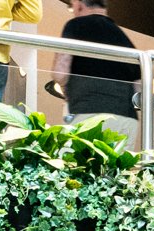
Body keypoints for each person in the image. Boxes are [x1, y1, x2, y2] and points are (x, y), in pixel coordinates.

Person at [49, 0, 137, 141]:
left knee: (71, 155)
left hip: (89, 115)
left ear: (79, 4)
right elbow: (138, 86)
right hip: (127, 120)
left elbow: (60, 73)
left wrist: (67, 92)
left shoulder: (75, 25)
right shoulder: (123, 38)